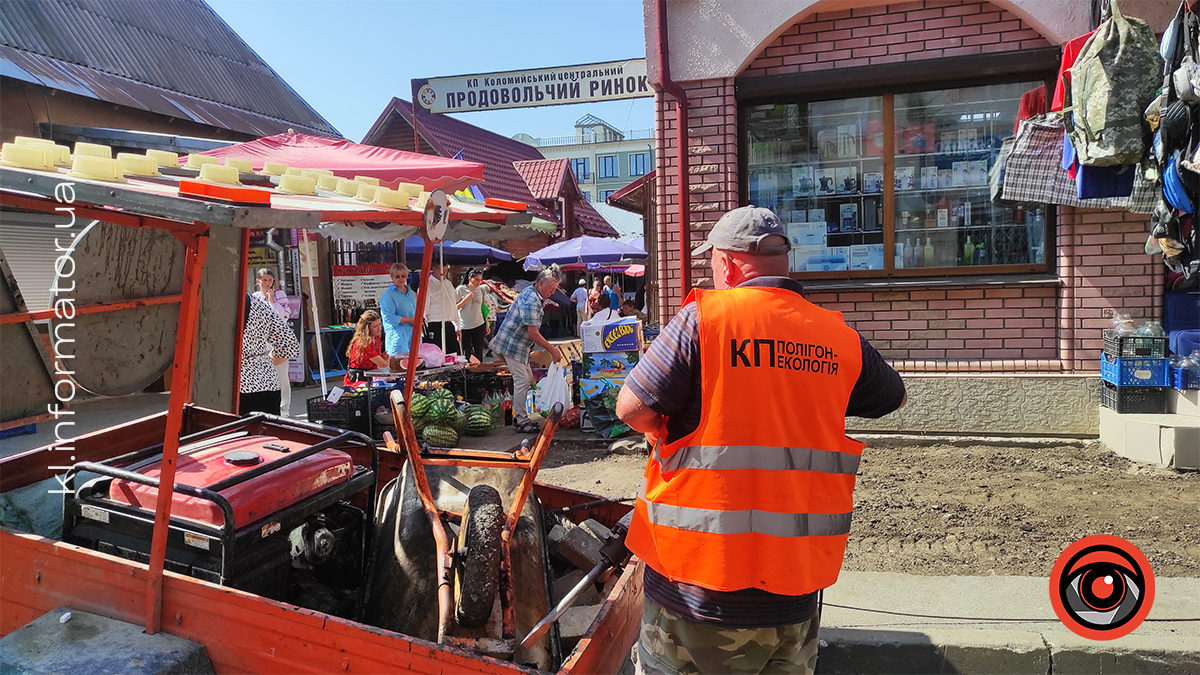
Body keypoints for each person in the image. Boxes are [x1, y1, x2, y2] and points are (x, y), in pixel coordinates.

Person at [615, 206, 906, 675]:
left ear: (727, 263)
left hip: (698, 592)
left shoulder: (704, 321)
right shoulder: (836, 336)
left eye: (710, 261)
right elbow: (892, 396)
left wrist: (661, 431)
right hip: (794, 593)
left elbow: (631, 408)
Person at [490, 266, 564, 433]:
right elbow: (532, 333)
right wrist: (552, 350)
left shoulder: (535, 295)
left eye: (554, 289)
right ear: (540, 283)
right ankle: (521, 420)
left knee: (526, 377)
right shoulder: (531, 300)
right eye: (551, 288)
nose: (552, 292)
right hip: (511, 345)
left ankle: (521, 416)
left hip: (518, 346)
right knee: (522, 379)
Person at [240, 293, 300, 416]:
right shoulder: (259, 305)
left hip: (232, 387)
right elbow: (290, 344)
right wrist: (262, 362)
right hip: (265, 383)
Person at [251, 268, 292, 416]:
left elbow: (284, 316)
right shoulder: (255, 297)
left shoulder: (280, 295)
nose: (268, 283)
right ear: (258, 282)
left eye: (270, 280)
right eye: (264, 280)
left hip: (278, 342)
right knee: (264, 375)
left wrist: (273, 301)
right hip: (261, 342)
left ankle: (284, 409)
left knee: (282, 376)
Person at [379, 262, 417, 358]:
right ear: (392, 277)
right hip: (397, 336)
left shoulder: (411, 293)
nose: (401, 279)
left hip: (413, 334)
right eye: (397, 276)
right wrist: (410, 320)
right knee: (398, 365)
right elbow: (388, 317)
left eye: (403, 276)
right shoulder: (388, 295)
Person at [344, 310, 388, 387]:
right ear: (366, 328)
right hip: (358, 381)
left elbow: (377, 360)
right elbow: (383, 364)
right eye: (375, 326)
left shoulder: (376, 338)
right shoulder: (364, 343)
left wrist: (382, 357)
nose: (379, 328)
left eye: (380, 324)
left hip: (369, 377)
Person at [424, 263, 461, 355]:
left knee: (454, 354)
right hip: (435, 324)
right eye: (441, 270)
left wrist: (458, 326)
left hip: (449, 324)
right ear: (434, 269)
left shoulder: (448, 284)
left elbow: (453, 305)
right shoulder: (427, 285)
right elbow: (424, 309)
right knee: (437, 356)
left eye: (446, 270)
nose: (444, 272)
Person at [456, 268, 488, 363]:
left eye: (480, 280)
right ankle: (468, 372)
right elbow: (454, 308)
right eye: (477, 280)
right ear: (470, 279)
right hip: (465, 325)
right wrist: (465, 300)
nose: (479, 282)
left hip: (479, 324)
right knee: (467, 352)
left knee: (478, 351)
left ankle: (479, 371)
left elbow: (483, 307)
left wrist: (486, 323)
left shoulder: (481, 290)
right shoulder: (460, 289)